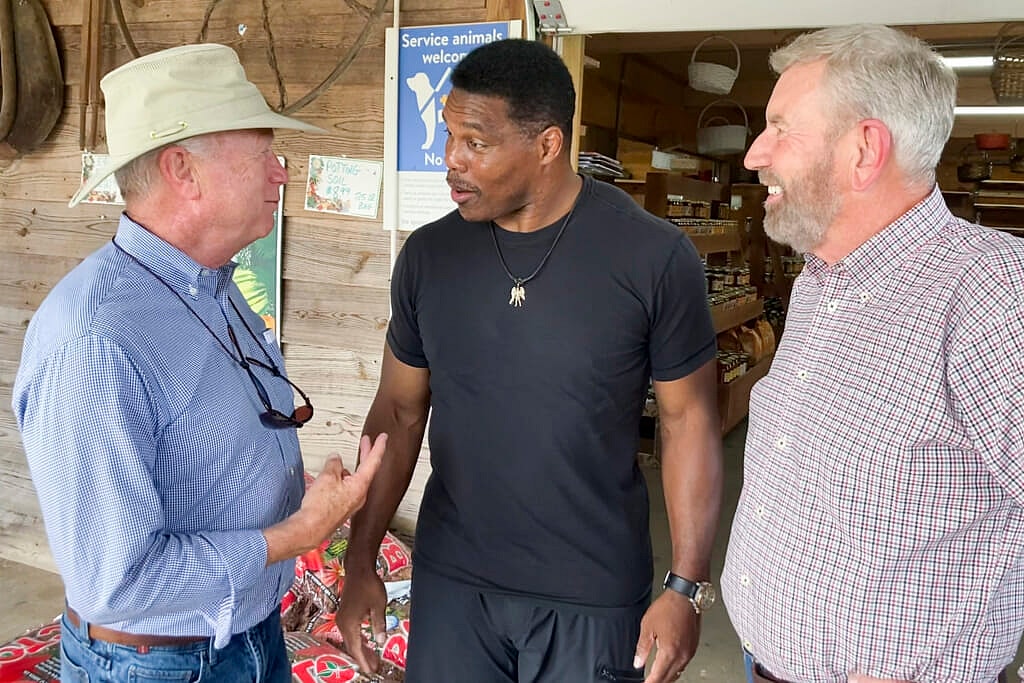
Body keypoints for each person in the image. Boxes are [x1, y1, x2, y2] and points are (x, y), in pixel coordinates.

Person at [335, 38, 722, 683]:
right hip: (455, 583)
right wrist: (360, 559)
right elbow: (399, 414)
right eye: (449, 136)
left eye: (477, 144)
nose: (451, 161)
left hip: (593, 593)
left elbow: (689, 424)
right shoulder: (430, 259)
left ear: (546, 146)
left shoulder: (653, 258)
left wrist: (685, 586)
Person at [12, 43, 386, 683]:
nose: (281, 173)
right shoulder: (94, 338)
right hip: (156, 664)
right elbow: (116, 583)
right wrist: (295, 534)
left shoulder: (211, 284)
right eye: (265, 152)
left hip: (245, 634)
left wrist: (310, 499)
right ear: (183, 170)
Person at [722, 24, 1024, 683]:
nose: (754, 155)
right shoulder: (820, 280)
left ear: (864, 149)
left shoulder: (991, 293)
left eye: (781, 128)